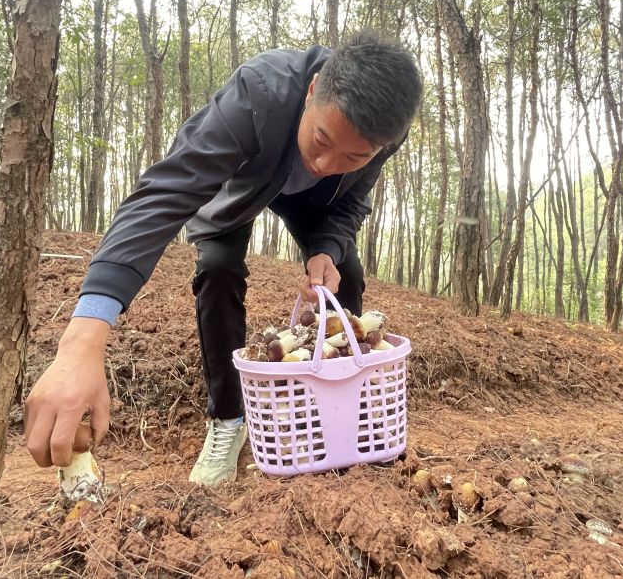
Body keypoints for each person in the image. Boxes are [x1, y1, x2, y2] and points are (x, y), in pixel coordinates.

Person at [24, 29, 423, 486]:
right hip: (243, 188)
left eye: (353, 155)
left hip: (317, 207)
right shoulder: (260, 91)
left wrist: (325, 251)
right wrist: (83, 341)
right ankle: (229, 421)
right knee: (216, 267)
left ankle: (344, 411)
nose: (326, 163)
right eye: (321, 138)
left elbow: (351, 202)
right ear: (312, 90)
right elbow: (167, 193)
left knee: (346, 275)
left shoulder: (385, 132)